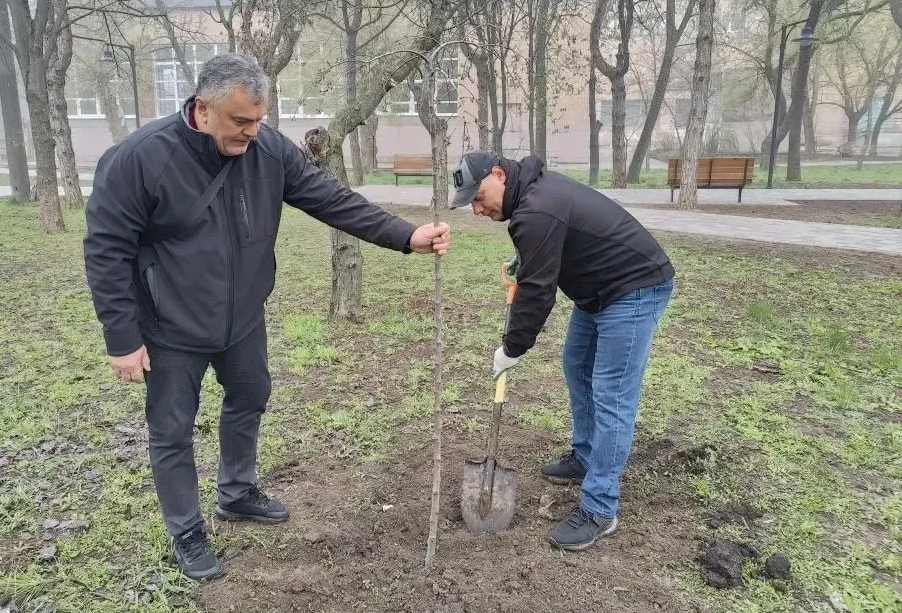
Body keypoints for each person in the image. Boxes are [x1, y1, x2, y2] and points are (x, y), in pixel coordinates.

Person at [83, 53, 450, 580]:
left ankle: (236, 491)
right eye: (240, 122)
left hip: (242, 319)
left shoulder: (268, 149)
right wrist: (121, 337)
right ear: (203, 109)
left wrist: (404, 235)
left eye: (259, 120)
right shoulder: (141, 158)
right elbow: (106, 250)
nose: (253, 133)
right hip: (170, 327)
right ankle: (186, 529)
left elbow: (330, 198)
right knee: (172, 430)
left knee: (251, 396)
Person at [449, 149, 674, 551]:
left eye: (479, 197)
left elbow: (538, 292)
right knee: (575, 364)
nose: (477, 209)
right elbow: (549, 249)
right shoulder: (533, 198)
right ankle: (586, 456)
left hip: (633, 289)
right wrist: (526, 261)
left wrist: (511, 349)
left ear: (499, 175)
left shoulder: (536, 210)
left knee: (611, 396)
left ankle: (600, 508)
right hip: (600, 291)